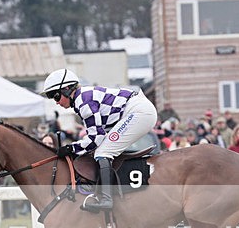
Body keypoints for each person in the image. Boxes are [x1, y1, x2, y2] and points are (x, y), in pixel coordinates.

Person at [42, 68, 157, 212]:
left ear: (67, 89)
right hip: (137, 110)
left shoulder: (83, 101)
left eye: (56, 96)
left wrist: (71, 148)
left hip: (139, 112)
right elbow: (95, 135)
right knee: (102, 149)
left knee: (103, 152)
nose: (56, 102)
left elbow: (96, 138)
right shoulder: (82, 99)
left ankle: (106, 199)